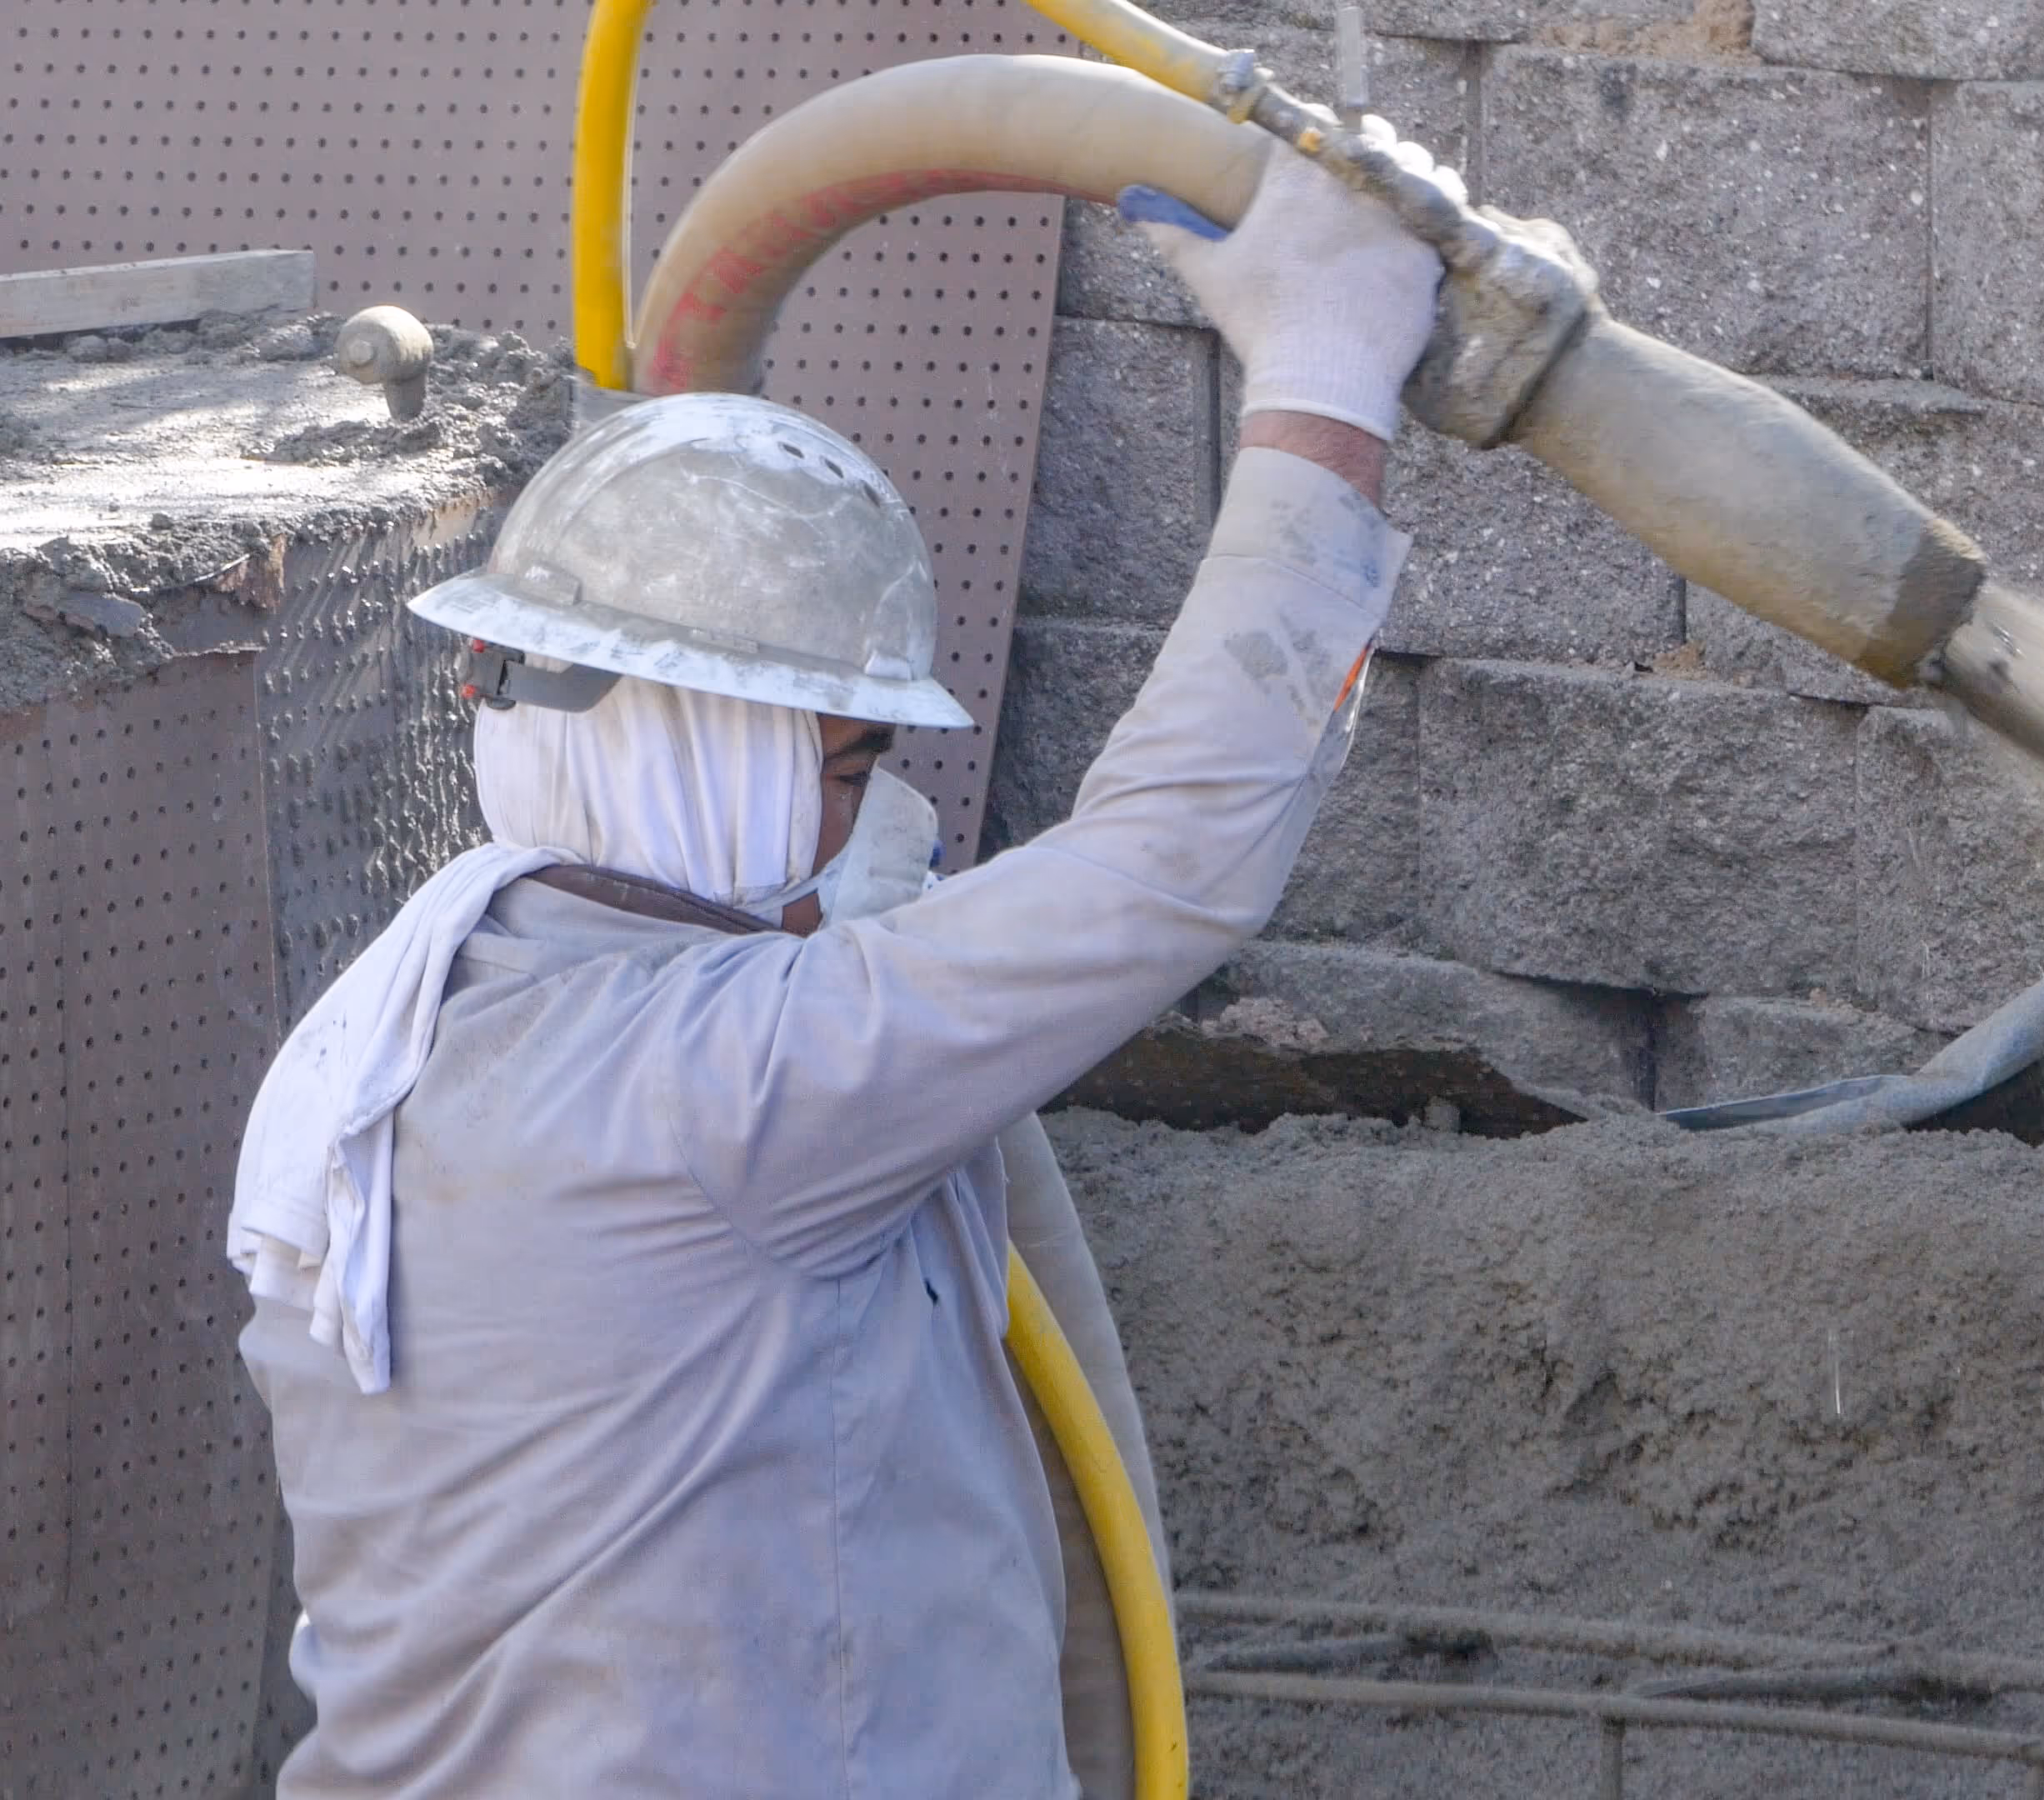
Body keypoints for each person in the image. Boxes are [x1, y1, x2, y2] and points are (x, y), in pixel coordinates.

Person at [224, 122, 1455, 1798]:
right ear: (712, 761)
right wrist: (1326, 368)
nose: (857, 824)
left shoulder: (396, 1024)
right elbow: (1174, 860)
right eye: (847, 768)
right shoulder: (742, 1090)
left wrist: (848, 846)